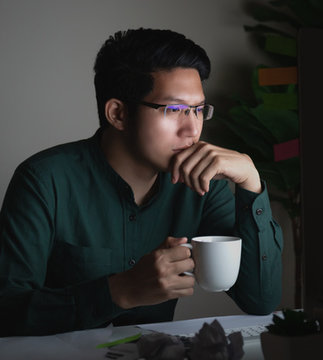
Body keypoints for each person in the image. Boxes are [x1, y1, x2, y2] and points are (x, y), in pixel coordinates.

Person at [0, 28, 283, 336]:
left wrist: (251, 181)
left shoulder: (203, 184)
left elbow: (260, 300)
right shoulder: (44, 181)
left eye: (198, 110)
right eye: (174, 109)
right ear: (118, 113)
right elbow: (7, 312)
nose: (192, 129)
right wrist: (118, 291)